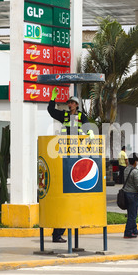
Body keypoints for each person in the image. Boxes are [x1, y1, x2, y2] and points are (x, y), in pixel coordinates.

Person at [47, 88, 94, 243]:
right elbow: (51, 111)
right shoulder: (65, 115)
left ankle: (59, 233)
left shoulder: (82, 116)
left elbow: (87, 128)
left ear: (77, 105)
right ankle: (58, 233)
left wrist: (90, 134)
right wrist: (52, 99)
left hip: (77, 149)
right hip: (66, 148)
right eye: (69, 102)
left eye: (72, 102)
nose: (70, 104)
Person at [123, 152, 138, 238]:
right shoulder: (135, 171)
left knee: (131, 213)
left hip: (126, 193)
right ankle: (128, 232)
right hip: (132, 195)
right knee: (132, 215)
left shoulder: (126, 169)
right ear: (135, 161)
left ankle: (134, 229)